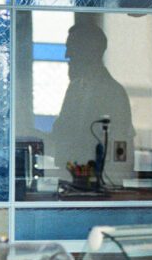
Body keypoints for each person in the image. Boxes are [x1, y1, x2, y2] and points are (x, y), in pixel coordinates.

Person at [49, 20, 135, 188]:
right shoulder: (75, 89)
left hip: (101, 189)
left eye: (71, 48)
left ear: (88, 52)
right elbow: (63, 134)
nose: (67, 55)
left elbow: (121, 151)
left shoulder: (113, 92)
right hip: (73, 184)